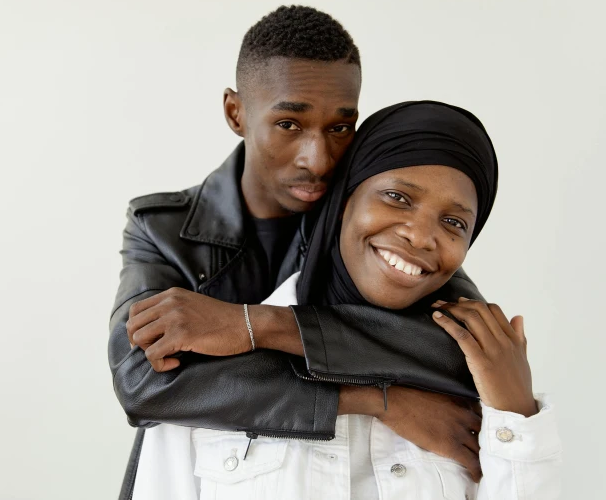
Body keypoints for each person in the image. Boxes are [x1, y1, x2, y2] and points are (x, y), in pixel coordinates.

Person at [110, 6, 484, 498]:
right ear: (235, 112)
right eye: (289, 124)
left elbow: (450, 346)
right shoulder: (163, 230)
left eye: (339, 127)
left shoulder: (370, 218)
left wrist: (250, 325)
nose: (319, 159)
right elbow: (144, 382)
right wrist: (378, 401)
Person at [131, 101, 562, 499]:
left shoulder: (481, 384)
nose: (420, 235)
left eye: (454, 222)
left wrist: (514, 416)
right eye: (398, 197)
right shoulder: (204, 370)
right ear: (342, 203)